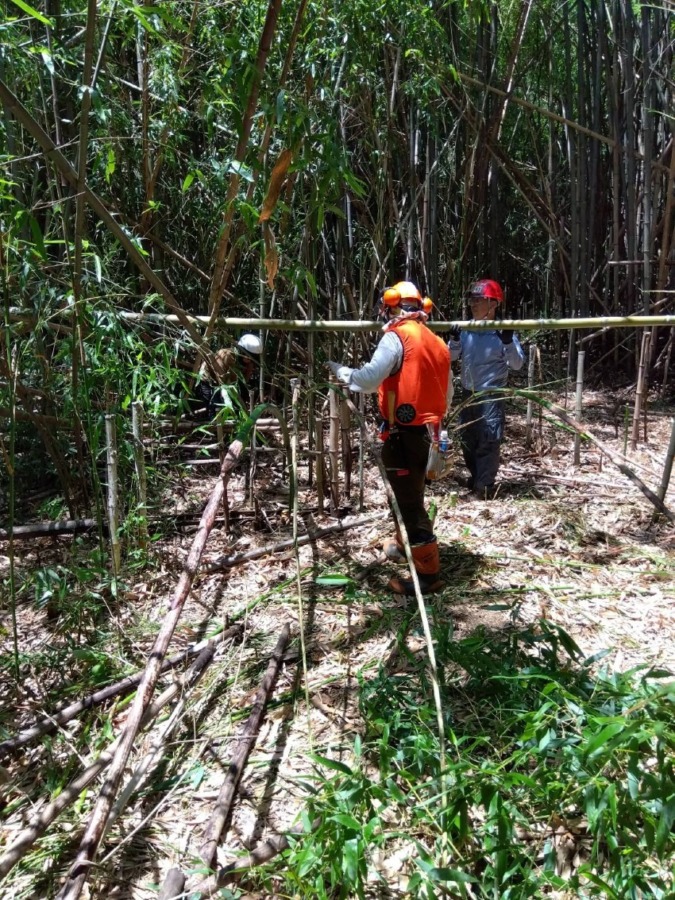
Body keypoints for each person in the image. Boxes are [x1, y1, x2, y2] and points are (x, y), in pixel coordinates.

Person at [327, 281, 452, 595]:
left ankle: (428, 576)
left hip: (405, 435)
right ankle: (403, 543)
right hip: (429, 434)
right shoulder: (437, 342)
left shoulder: (397, 337)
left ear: (392, 305)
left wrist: (342, 372)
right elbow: (447, 393)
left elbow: (369, 379)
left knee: (410, 503)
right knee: (408, 494)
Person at [447, 279, 525, 499]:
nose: (474, 304)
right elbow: (450, 357)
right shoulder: (466, 329)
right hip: (467, 392)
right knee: (468, 437)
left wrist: (508, 342)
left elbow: (517, 364)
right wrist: (453, 339)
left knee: (489, 438)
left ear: (494, 304)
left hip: (491, 394)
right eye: (472, 299)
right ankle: (476, 479)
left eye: (479, 300)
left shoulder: (501, 332)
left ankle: (485, 487)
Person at [194, 333, 262, 418]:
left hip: (229, 382)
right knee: (215, 407)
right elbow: (221, 379)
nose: (248, 359)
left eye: (251, 358)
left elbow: (244, 381)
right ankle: (215, 426)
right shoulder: (227, 355)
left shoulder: (249, 363)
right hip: (210, 381)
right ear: (241, 350)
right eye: (247, 356)